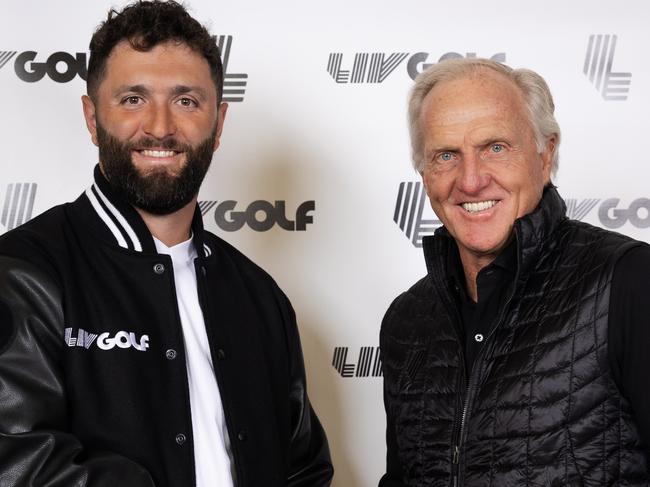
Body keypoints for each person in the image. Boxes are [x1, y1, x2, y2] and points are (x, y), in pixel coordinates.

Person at [0, 2, 333, 486]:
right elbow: (14, 462)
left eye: (186, 101)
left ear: (218, 124)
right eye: (133, 99)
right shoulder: (25, 274)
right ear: (92, 118)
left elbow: (304, 468)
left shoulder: (260, 297)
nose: (159, 127)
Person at [379, 57, 650, 486]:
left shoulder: (628, 281)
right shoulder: (407, 321)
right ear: (425, 174)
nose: (470, 181)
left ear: (546, 155)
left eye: (495, 148)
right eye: (446, 155)